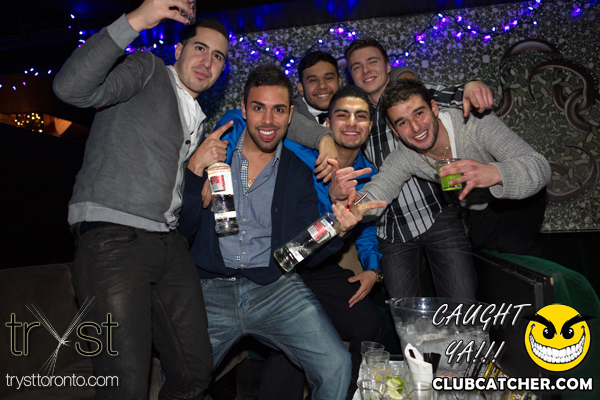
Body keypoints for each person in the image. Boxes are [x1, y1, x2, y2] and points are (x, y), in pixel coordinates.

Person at [52, 1, 229, 398]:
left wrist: (194, 172)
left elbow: (184, 219)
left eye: (218, 56)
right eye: (200, 48)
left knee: (196, 373)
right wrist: (139, 18)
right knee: (125, 385)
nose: (208, 61)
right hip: (114, 237)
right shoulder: (148, 70)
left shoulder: (198, 119)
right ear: (179, 49)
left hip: (167, 243)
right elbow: (70, 88)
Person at [179, 64, 385, 400]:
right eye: (258, 108)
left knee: (336, 365)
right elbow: (184, 228)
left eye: (278, 110)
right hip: (210, 288)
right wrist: (191, 171)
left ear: (290, 115)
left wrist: (336, 226)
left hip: (273, 287)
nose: (268, 120)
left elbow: (301, 252)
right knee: (182, 382)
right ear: (244, 110)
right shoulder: (215, 154)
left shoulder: (298, 172)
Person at [344, 38, 494, 301]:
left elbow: (451, 95)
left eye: (372, 62)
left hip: (437, 215)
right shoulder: (357, 116)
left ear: (388, 66)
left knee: (461, 305)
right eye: (357, 67)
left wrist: (469, 86)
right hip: (390, 228)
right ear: (351, 75)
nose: (365, 70)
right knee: (405, 313)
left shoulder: (411, 95)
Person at [329, 79, 552, 255]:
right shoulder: (406, 155)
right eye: (403, 122)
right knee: (485, 252)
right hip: (481, 208)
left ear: (434, 108)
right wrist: (353, 206)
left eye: (419, 113)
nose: (415, 127)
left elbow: (539, 165)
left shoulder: (475, 125)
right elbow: (379, 189)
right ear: (395, 131)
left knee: (513, 246)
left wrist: (494, 172)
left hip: (521, 197)